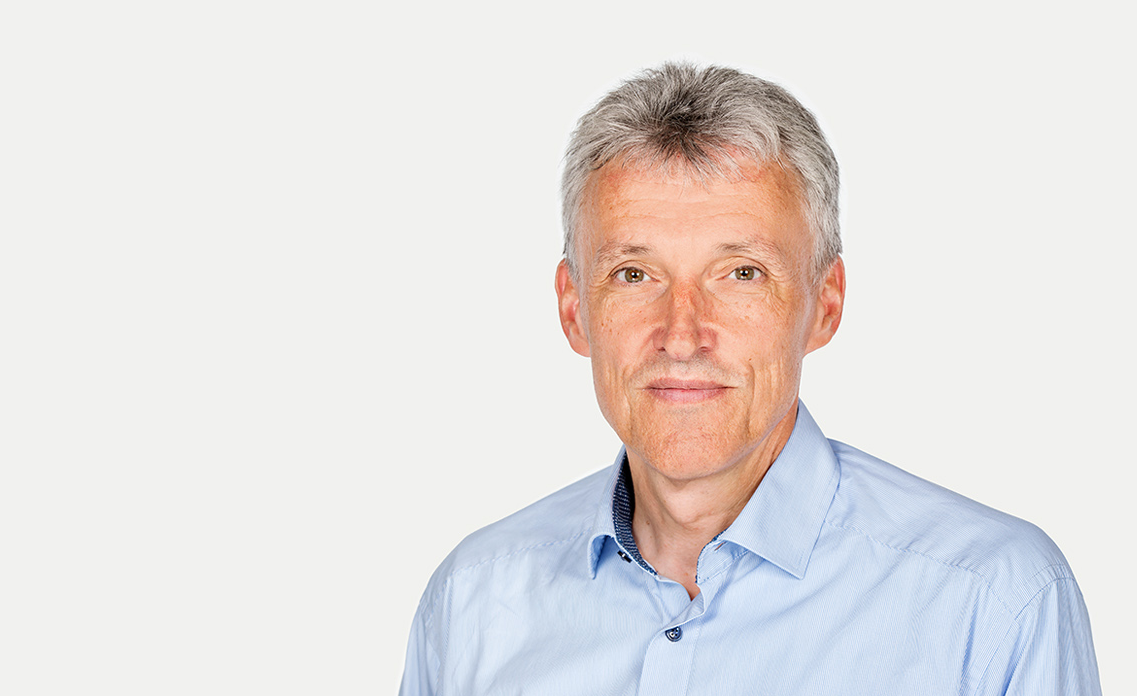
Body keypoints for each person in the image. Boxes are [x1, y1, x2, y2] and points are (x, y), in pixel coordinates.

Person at [398, 63, 1100, 695]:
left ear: (824, 304)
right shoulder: (471, 606)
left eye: (741, 274)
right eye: (634, 274)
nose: (682, 335)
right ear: (574, 309)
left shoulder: (992, 605)